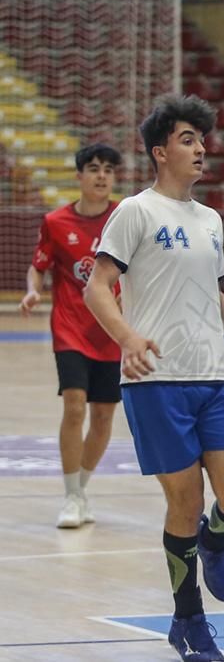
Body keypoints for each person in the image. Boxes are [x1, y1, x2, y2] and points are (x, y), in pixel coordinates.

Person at [84, 94, 224, 662]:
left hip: (213, 378)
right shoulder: (135, 211)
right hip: (155, 382)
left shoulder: (211, 219)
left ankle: (217, 542)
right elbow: (97, 287)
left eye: (202, 140)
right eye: (188, 140)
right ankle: (188, 619)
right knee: (184, 503)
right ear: (159, 151)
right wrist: (128, 339)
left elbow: (207, 295)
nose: (201, 149)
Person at [19, 143, 123, 528]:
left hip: (112, 330)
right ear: (79, 176)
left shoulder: (125, 218)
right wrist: (33, 291)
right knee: (75, 405)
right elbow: (38, 265)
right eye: (94, 168)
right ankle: (71, 497)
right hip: (70, 328)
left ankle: (81, 489)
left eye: (108, 169)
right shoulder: (56, 221)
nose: (101, 175)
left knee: (103, 415)